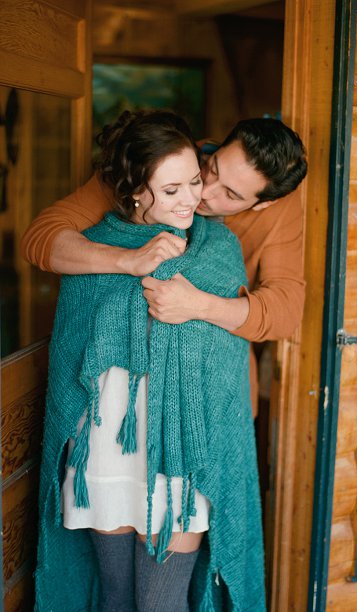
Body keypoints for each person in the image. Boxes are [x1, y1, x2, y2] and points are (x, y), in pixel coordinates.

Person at [34, 110, 264, 610]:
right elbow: (73, 349)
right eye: (172, 189)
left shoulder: (219, 248)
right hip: (107, 457)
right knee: (116, 598)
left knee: (160, 603)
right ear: (137, 191)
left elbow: (225, 362)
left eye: (195, 182)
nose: (193, 199)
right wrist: (130, 264)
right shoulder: (95, 248)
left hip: (180, 460)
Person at [22, 115, 309, 414]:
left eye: (231, 194)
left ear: (262, 204)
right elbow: (41, 236)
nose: (203, 192)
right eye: (210, 169)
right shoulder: (157, 160)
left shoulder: (280, 212)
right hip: (124, 383)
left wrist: (199, 306)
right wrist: (127, 260)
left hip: (216, 386)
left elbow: (286, 310)